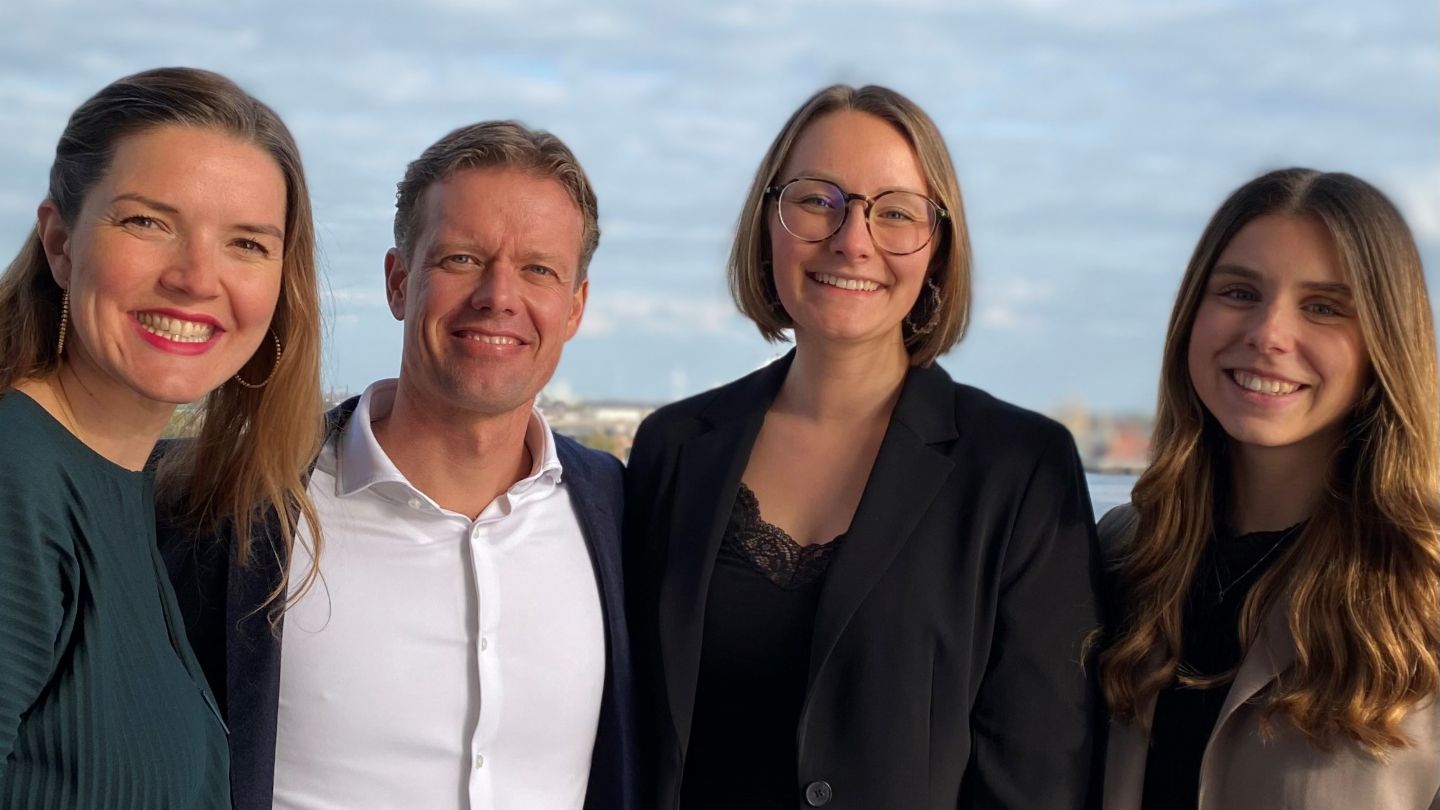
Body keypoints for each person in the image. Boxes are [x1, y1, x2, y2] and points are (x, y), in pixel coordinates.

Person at [624, 84, 1103, 810]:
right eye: (818, 200)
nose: (853, 239)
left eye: (897, 212)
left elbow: (1039, 777)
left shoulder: (1020, 471)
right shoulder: (674, 451)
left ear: (938, 250)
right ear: (769, 222)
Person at [159, 120, 638, 810]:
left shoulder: (621, 513)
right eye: (461, 260)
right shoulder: (232, 503)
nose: (498, 296)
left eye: (538, 269)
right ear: (397, 281)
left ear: (574, 308)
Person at [0, 67, 324, 809]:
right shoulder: (19, 483)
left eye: (247, 243)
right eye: (148, 222)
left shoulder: (126, 488)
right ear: (60, 242)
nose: (196, 277)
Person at [1096, 169, 1440, 809]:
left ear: (1384, 346)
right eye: (1238, 292)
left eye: (1324, 307)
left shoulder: (1425, 590)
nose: (1267, 334)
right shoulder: (1120, 556)